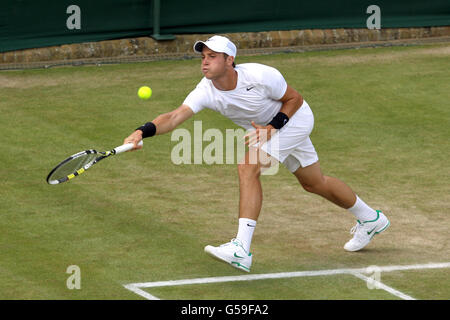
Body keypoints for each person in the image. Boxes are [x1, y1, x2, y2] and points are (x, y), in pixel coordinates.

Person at [123, 35, 390, 272]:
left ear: (230, 60)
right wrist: (141, 131)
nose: (205, 62)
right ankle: (370, 219)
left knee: (248, 167)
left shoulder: (260, 75)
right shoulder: (205, 91)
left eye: (212, 57)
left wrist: (272, 128)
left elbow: (294, 99)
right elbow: (174, 117)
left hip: (293, 120)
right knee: (314, 182)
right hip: (270, 131)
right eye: (203, 57)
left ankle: (241, 248)